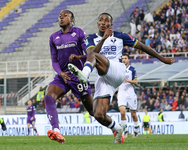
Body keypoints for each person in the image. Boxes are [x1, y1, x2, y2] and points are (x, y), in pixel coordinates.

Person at [68, 13, 174, 143]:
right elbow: (91, 53)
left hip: (117, 70)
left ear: (110, 25)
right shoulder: (91, 38)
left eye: (106, 21)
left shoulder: (120, 36)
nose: (103, 23)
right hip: (103, 77)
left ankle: (84, 74)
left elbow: (142, 46)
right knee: (98, 115)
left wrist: (162, 58)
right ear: (97, 23)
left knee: (94, 56)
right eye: (100, 20)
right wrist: (99, 42)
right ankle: (118, 129)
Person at [45, 10, 93, 144]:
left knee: (94, 112)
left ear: (71, 19)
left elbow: (89, 54)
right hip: (63, 76)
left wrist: (79, 57)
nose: (61, 18)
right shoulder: (53, 37)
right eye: (59, 16)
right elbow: (54, 61)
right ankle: (57, 131)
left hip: (78, 76)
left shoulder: (79, 33)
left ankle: (115, 128)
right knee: (49, 97)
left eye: (64, 16)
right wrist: (60, 73)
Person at [117, 53, 139, 138]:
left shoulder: (132, 69)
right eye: (122, 58)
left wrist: (127, 80)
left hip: (130, 93)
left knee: (133, 114)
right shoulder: (118, 69)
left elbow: (136, 82)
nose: (124, 60)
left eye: (125, 58)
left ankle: (136, 131)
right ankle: (125, 131)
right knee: (122, 112)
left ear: (128, 60)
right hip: (121, 93)